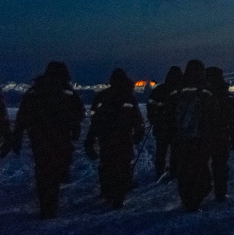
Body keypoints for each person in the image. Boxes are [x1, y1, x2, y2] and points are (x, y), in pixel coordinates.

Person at [1, 62, 85, 219]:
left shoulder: (35, 91)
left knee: (43, 169)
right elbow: (79, 112)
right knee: (56, 166)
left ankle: (46, 204)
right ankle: (50, 203)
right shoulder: (66, 91)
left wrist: (17, 137)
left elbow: (22, 116)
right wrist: (74, 127)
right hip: (59, 137)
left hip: (40, 138)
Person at [84, 68, 145, 209]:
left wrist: (91, 139)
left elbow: (94, 118)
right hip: (124, 137)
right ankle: (119, 193)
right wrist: (138, 134)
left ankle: (107, 190)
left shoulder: (102, 96)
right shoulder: (128, 97)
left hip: (105, 137)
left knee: (106, 162)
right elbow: (137, 118)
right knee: (124, 164)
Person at [170, 59, 218, 212]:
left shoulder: (177, 90)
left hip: (182, 137)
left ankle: (187, 198)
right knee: (200, 166)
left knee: (184, 168)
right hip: (201, 137)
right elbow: (213, 114)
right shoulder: (206, 91)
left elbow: (168, 113)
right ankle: (197, 196)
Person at [205, 66, 234, 202]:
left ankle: (202, 188)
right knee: (220, 165)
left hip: (202, 135)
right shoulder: (227, 96)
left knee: (200, 163)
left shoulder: (201, 94)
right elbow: (232, 118)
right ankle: (220, 192)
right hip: (221, 134)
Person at [146, 65, 183, 180]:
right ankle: (174, 171)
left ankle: (159, 170)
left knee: (161, 150)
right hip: (176, 127)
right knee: (175, 151)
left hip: (160, 126)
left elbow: (150, 105)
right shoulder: (181, 91)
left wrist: (153, 118)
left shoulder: (160, 89)